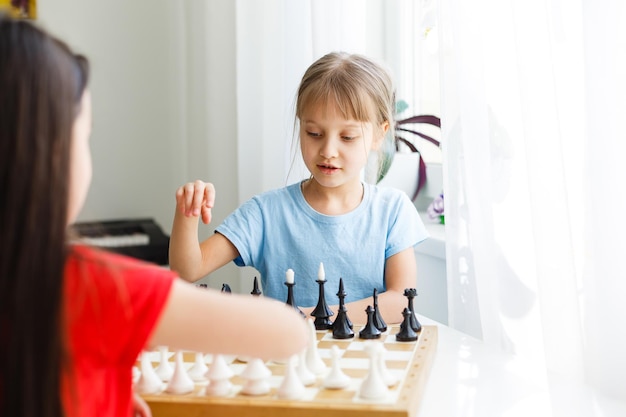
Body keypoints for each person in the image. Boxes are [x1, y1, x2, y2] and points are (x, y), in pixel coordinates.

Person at [0, 14, 308, 417]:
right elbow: (287, 334)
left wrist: (102, 390)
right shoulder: (95, 286)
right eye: (84, 136)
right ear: (50, 155)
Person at [170, 52, 428, 325]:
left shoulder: (392, 210)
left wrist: (307, 317)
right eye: (314, 134)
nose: (328, 151)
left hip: (367, 362)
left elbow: (401, 300)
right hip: (286, 364)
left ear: (379, 134)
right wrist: (187, 213)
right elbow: (188, 270)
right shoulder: (266, 213)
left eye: (347, 137)